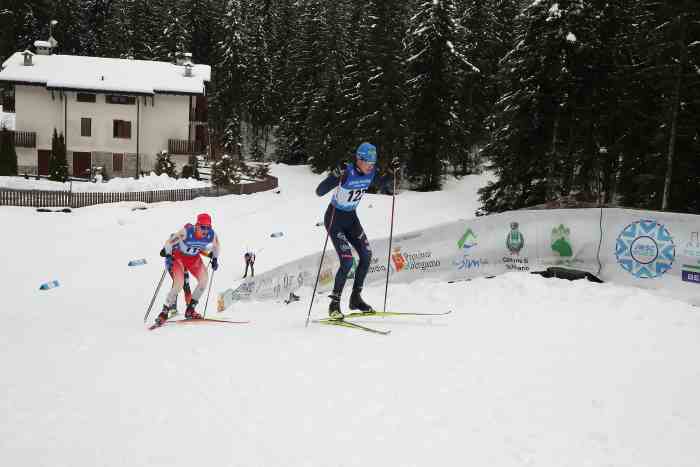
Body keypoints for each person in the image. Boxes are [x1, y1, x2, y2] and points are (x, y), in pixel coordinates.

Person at [315, 142, 397, 319]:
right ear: (358, 159)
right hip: (334, 219)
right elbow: (319, 192)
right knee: (347, 261)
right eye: (368, 162)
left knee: (366, 255)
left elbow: (382, 183)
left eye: (373, 163)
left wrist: (392, 172)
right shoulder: (347, 173)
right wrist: (334, 176)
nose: (371, 166)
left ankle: (355, 298)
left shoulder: (371, 173)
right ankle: (334, 304)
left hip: (351, 219)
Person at [154, 213, 221, 326]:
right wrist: (169, 255)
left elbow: (217, 247)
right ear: (197, 225)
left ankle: (190, 309)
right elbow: (169, 242)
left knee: (204, 281)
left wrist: (215, 258)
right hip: (179, 256)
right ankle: (165, 311)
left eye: (208, 227)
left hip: (193, 259)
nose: (205, 230)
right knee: (179, 284)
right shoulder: (186, 232)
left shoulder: (212, 235)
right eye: (202, 227)